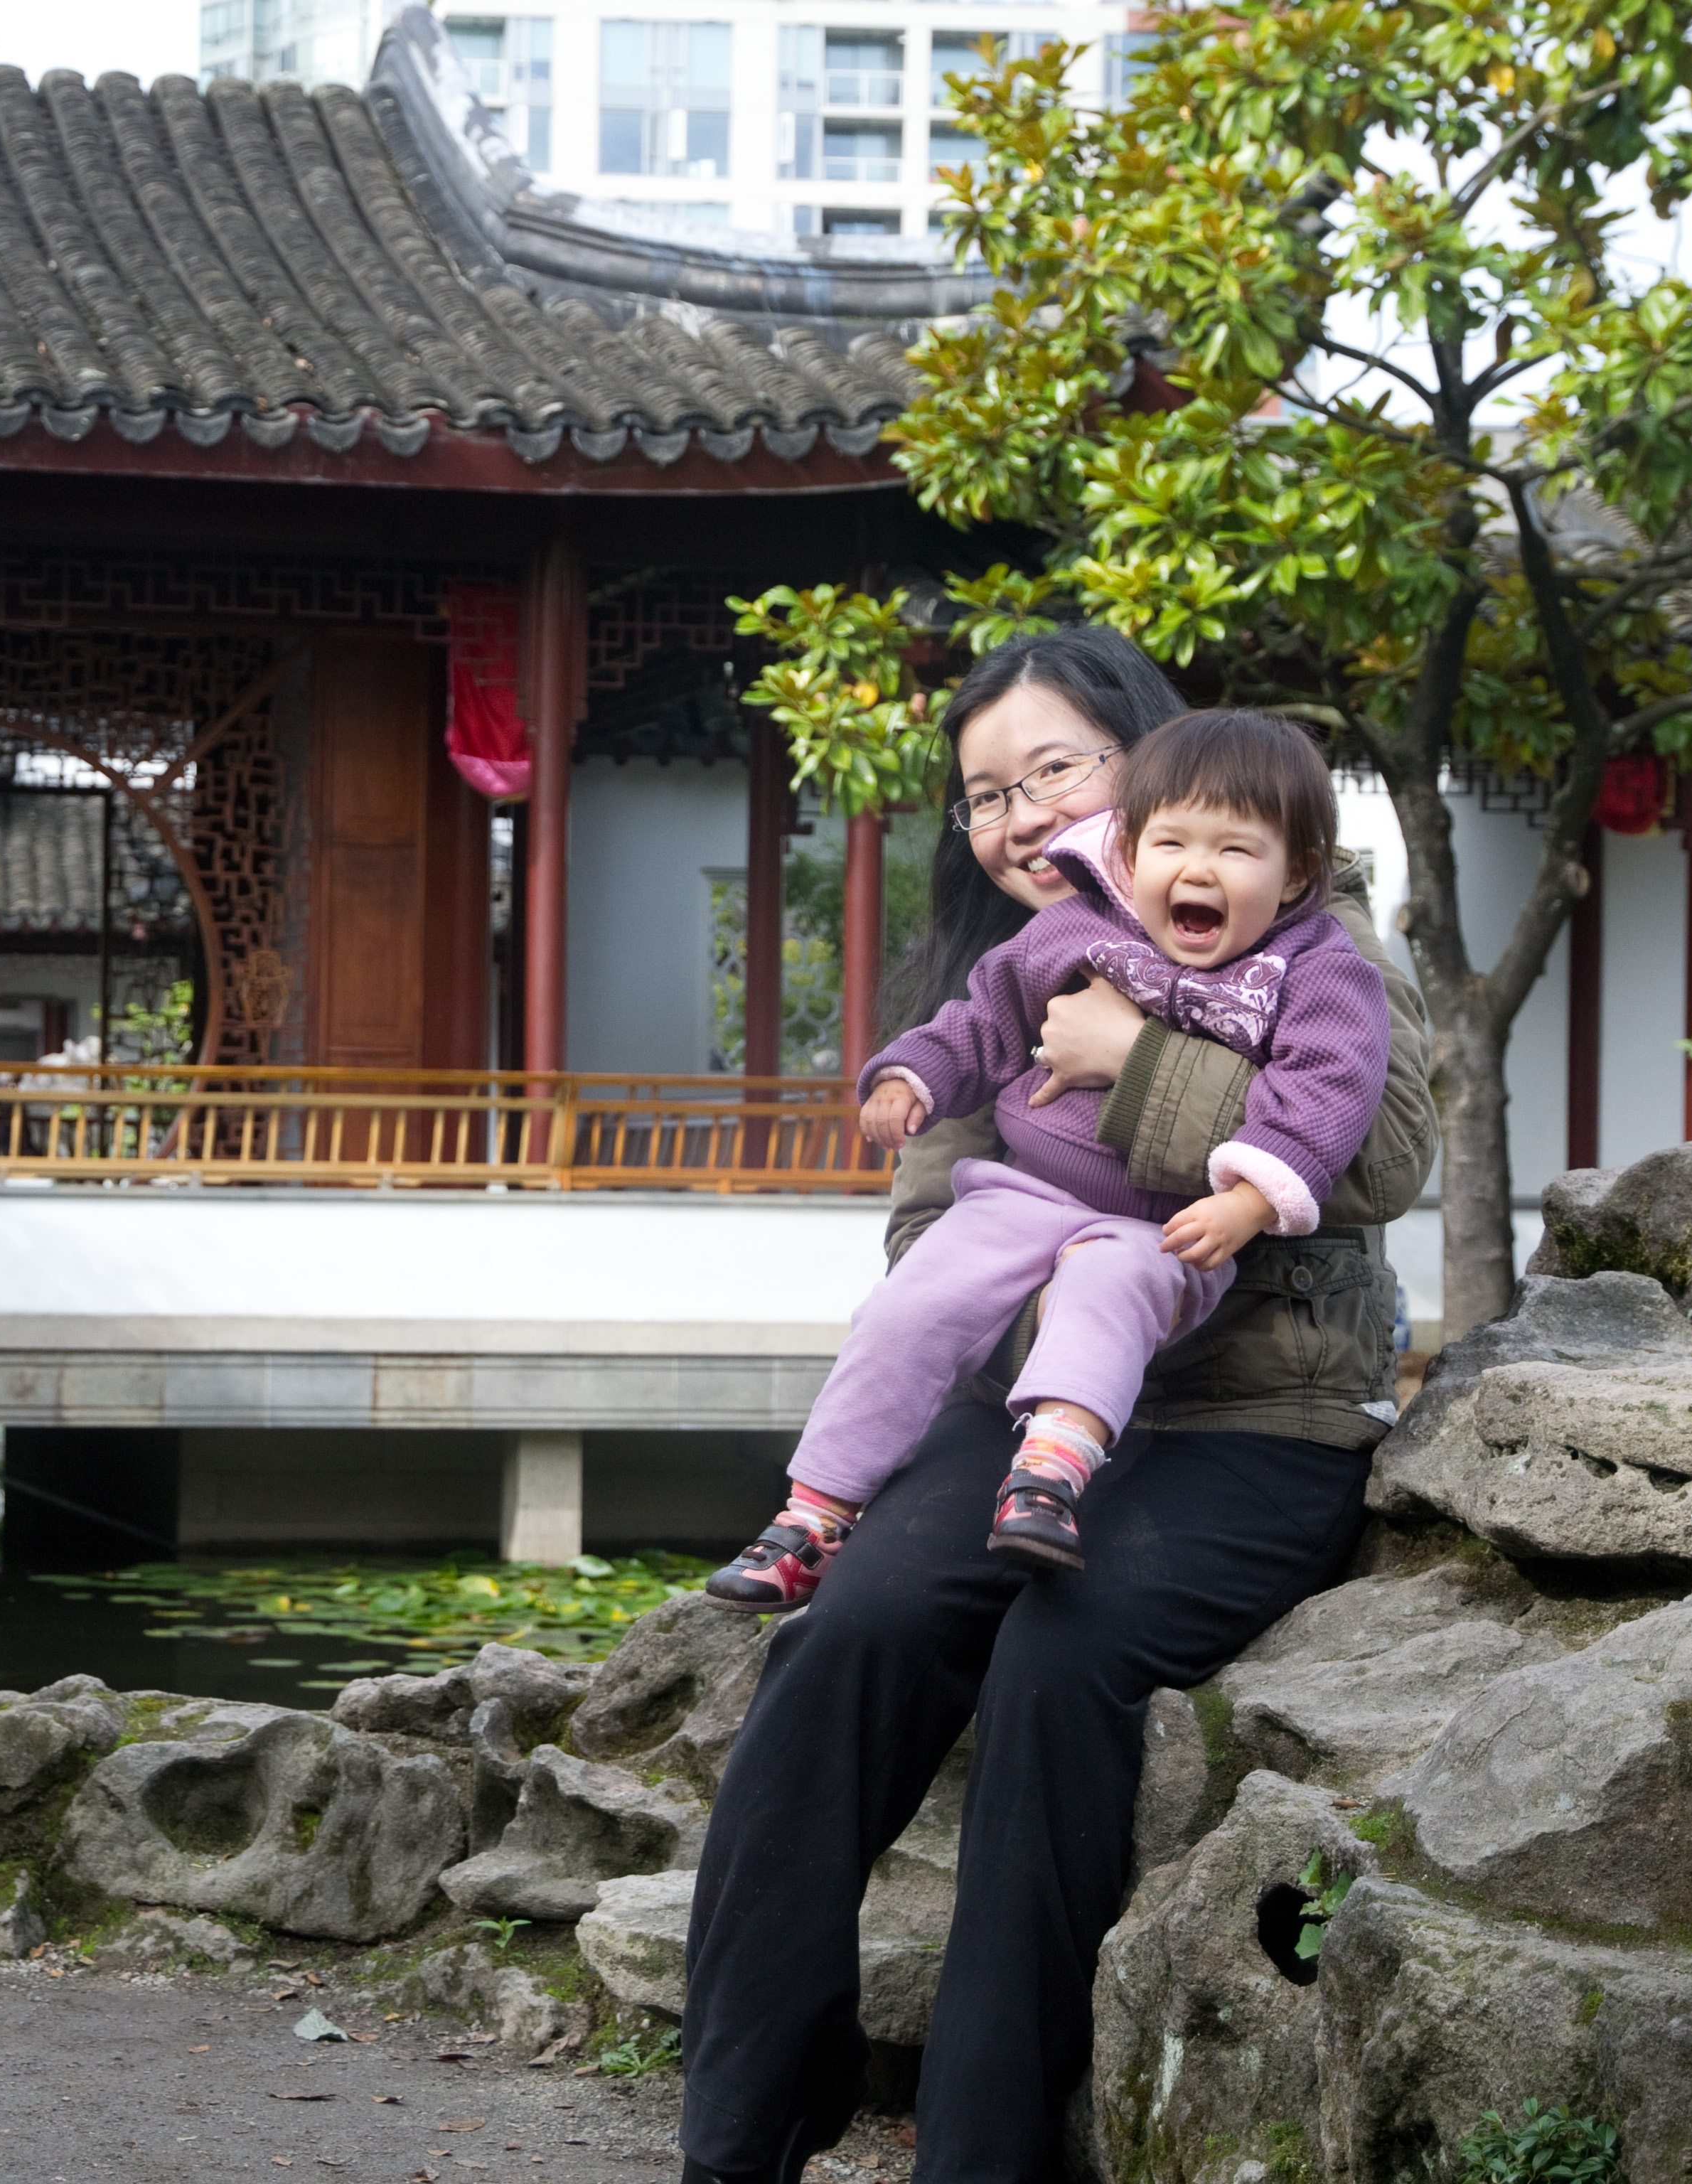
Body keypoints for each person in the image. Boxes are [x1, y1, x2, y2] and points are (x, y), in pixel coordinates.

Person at [677, 628, 1436, 2184]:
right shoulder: (1013, 968)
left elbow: (1377, 1162)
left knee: (1057, 1661)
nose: (1017, 817)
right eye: (983, 795)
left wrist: (1136, 1057)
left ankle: (984, 2153)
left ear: (1146, 766)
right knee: (848, 1635)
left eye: (1052, 771)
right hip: (1035, 1414)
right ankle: (740, 2131)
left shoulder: (1309, 930)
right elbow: (928, 1236)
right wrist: (1064, 1320)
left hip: (1258, 1416)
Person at [704, 711, 1391, 1600]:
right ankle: (816, 1512)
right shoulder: (1078, 928)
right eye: (1171, 844)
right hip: (1022, 1196)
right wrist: (913, 1073)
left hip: (1159, 1223)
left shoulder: (1320, 968)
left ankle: (1047, 1479)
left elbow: (1329, 1090)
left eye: (1235, 850)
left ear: (1295, 872)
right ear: (1128, 852)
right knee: (914, 1303)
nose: (1197, 870)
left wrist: (1250, 1199)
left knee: (1111, 1287)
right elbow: (984, 1017)